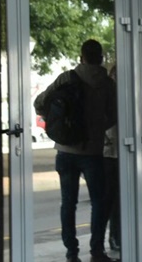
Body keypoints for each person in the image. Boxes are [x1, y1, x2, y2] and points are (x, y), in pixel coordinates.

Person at [34, 39, 118, 262]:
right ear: (101, 58)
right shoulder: (108, 85)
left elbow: (40, 103)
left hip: (66, 150)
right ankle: (97, 250)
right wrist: (96, 128)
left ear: (82, 57)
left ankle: (72, 253)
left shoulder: (66, 78)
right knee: (98, 202)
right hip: (92, 151)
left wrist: (58, 121)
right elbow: (113, 116)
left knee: (68, 203)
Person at [103, 65, 120, 252]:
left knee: (118, 200)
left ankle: (117, 236)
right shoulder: (105, 96)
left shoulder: (125, 97)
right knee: (110, 200)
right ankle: (113, 237)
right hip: (109, 155)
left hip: (120, 154)